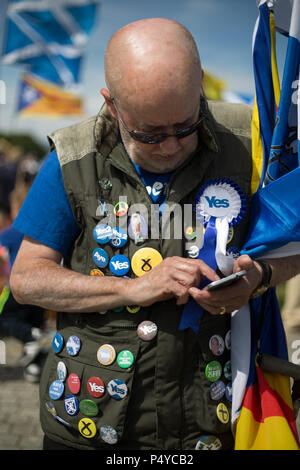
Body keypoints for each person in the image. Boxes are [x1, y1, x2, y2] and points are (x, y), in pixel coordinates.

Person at [9, 18, 300, 451]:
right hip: (93, 423)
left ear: (199, 84)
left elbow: (296, 244)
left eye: (185, 126)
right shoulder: (73, 157)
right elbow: (26, 280)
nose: (170, 146)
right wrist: (131, 289)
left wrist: (261, 274)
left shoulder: (253, 137)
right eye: (148, 134)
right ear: (111, 105)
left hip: (211, 421)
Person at [0, 169, 48, 382]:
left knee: (6, 320)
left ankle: (30, 336)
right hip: (41, 289)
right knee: (34, 323)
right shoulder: (43, 232)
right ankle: (35, 368)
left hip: (17, 288)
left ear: (17, 208)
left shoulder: (10, 233)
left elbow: (1, 255)